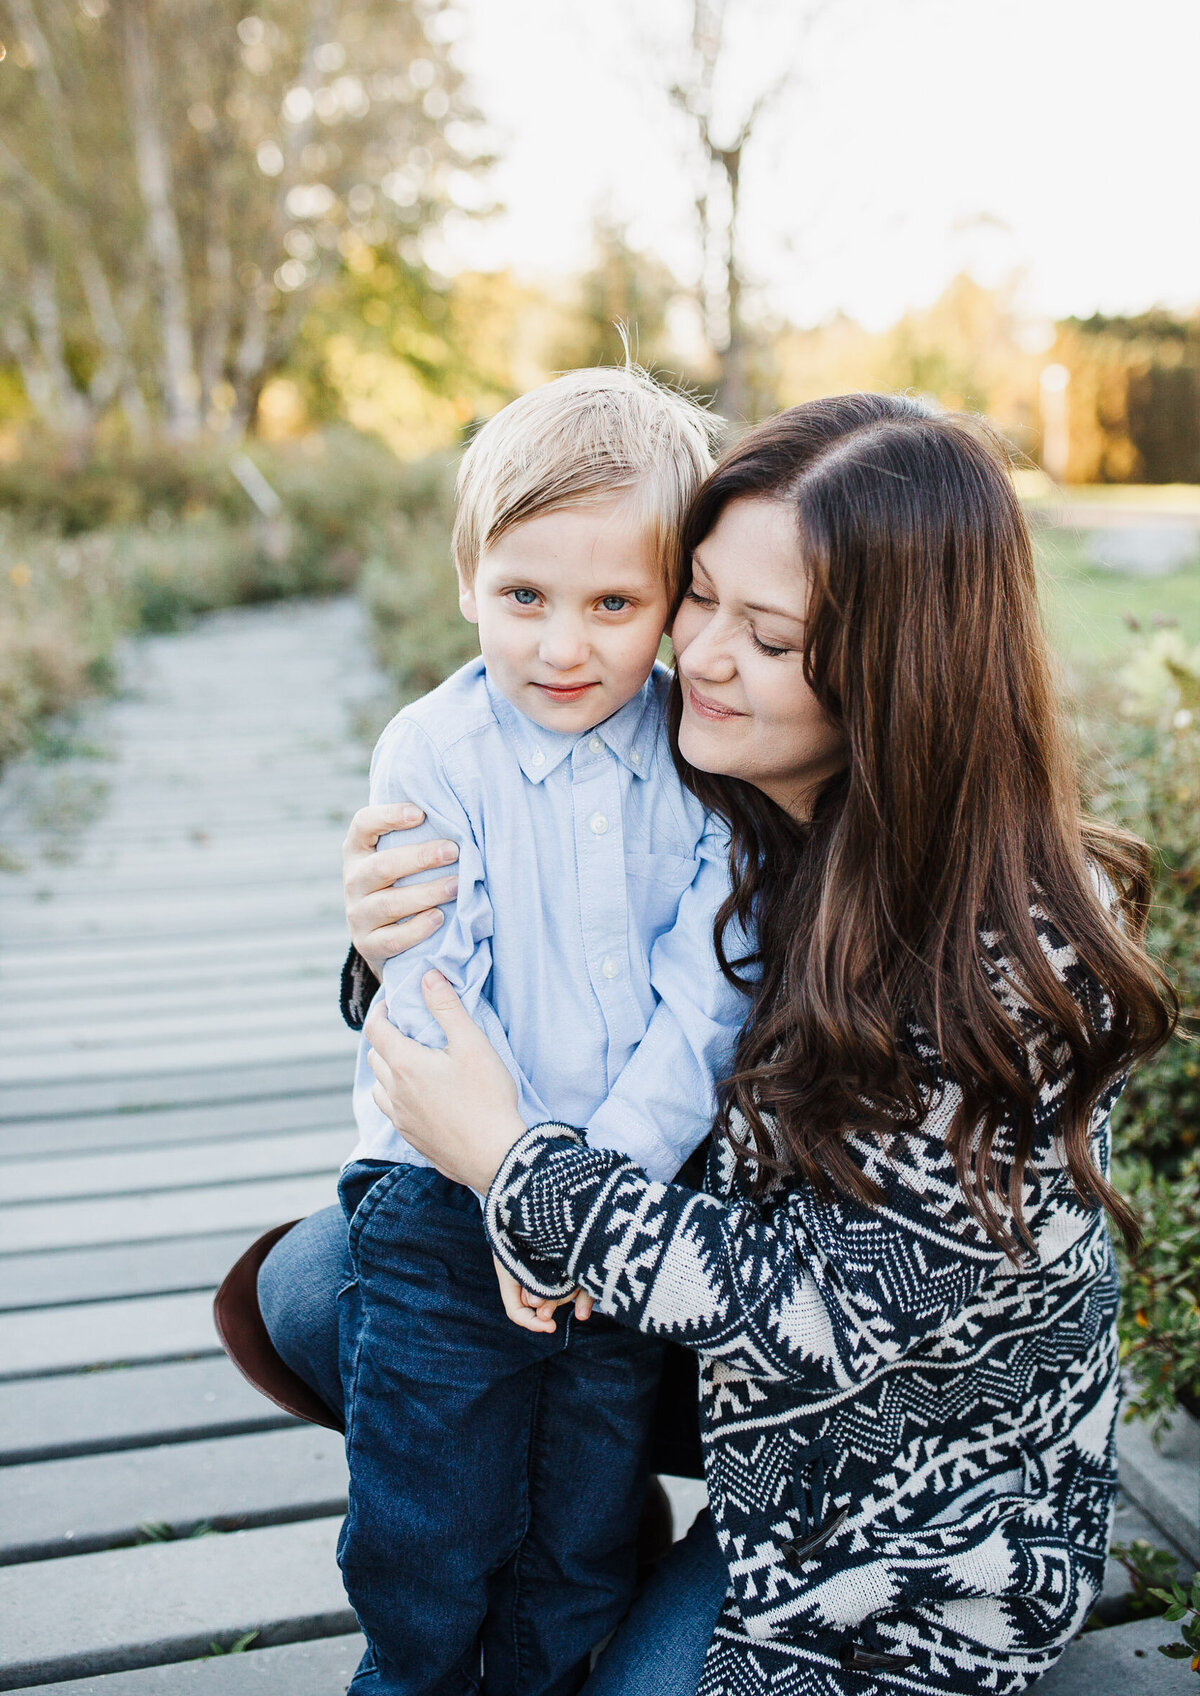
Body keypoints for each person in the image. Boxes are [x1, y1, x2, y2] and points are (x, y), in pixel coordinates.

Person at [340, 394, 1174, 1694]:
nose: (701, 655)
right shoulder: (714, 778)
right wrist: (393, 945)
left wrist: (517, 1169)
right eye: (699, 596)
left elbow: (824, 1316)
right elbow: (563, 955)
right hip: (715, 1351)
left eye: (767, 633)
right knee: (340, 1279)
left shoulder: (995, 953)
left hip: (903, 1491)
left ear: (900, 675)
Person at [263, 365, 753, 1696]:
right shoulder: (433, 753)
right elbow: (425, 978)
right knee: (430, 1501)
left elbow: (704, 1001)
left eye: (615, 604)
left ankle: (547, 1664)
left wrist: (591, 1195)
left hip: (622, 1200)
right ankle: (414, 1675)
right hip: (438, 1197)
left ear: (674, 606)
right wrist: (509, 1186)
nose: (563, 646)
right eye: (523, 596)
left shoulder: (701, 761)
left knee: (582, 1506)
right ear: (468, 575)